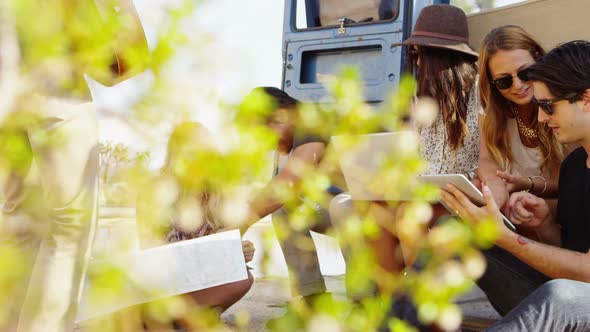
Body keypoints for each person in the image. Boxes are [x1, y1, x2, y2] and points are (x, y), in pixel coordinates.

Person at [442, 40, 590, 331]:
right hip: (567, 306)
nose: (541, 118)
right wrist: (543, 223)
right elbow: (569, 254)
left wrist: (507, 239)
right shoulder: (575, 167)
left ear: (586, 99)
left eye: (548, 106)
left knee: (560, 296)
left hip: (573, 301)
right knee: (456, 231)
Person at [330, 4, 480, 281]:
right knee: (359, 207)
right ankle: (390, 304)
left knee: (406, 214)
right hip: (421, 188)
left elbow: (484, 161)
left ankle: (418, 308)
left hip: (458, 191)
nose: (417, 62)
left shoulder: (479, 93)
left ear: (437, 56)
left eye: (419, 53)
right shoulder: (420, 99)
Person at [138, 122, 255, 316]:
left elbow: (225, 243)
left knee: (244, 277)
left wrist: (241, 249)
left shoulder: (220, 192)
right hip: (167, 276)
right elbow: (148, 249)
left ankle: (184, 317)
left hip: (205, 276)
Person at [237, 87, 337, 303]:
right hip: (339, 209)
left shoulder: (311, 122)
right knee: (284, 208)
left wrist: (238, 226)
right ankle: (312, 298)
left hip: (366, 210)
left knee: (342, 207)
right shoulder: (291, 142)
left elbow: (289, 183)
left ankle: (367, 299)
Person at [476, 26, 563, 210]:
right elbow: (485, 159)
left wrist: (524, 184)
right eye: (504, 81)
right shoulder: (492, 110)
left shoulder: (561, 105)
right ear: (492, 83)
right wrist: (494, 183)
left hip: (551, 205)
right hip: (515, 201)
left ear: (539, 59)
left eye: (525, 73)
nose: (518, 85)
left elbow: (566, 183)